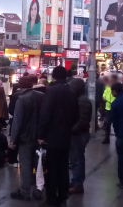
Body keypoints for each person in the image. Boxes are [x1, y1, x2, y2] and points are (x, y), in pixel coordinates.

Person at [37, 66, 77, 207]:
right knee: (64, 167)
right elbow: (76, 115)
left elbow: (45, 114)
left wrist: (41, 134)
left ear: (53, 76)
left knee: (52, 168)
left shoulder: (52, 91)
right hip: (66, 136)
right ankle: (63, 197)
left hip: (52, 136)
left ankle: (51, 198)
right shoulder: (71, 91)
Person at [10, 76, 44, 201]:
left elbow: (17, 122)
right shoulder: (41, 96)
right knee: (39, 164)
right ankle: (38, 189)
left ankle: (25, 192)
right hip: (39, 136)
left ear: (20, 86)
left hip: (26, 137)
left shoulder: (21, 99)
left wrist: (13, 139)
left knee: (25, 164)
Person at [68, 79, 92, 194]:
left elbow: (83, 120)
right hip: (78, 133)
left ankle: (78, 184)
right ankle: (75, 181)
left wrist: (71, 130)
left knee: (77, 159)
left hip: (79, 134)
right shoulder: (80, 99)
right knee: (74, 159)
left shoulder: (83, 101)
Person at [102, 75, 117, 144]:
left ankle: (118, 137)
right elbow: (104, 94)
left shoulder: (116, 88)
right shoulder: (107, 88)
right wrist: (104, 98)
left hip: (115, 108)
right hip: (108, 108)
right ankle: (106, 138)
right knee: (107, 124)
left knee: (116, 124)